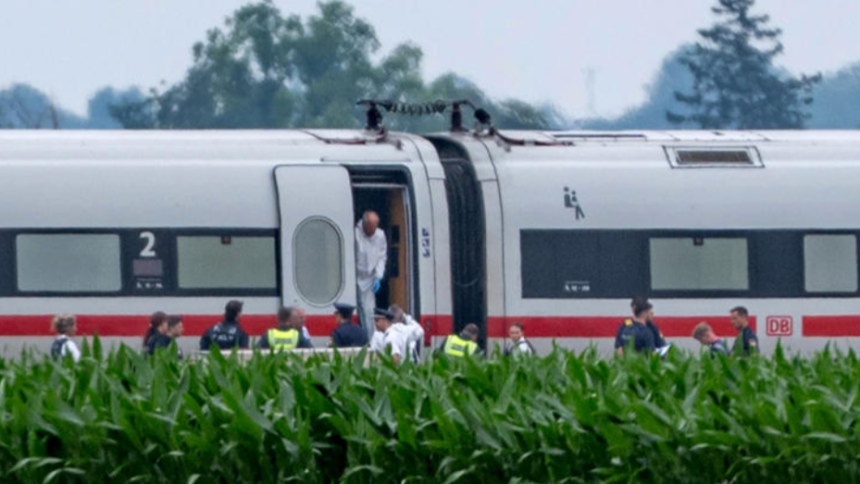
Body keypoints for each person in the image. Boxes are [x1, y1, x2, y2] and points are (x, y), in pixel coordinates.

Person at [355, 210, 387, 337]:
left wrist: (378, 276)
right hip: (356, 276)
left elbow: (382, 257)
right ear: (364, 225)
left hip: (370, 278)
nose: (372, 232)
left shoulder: (380, 235)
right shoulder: (355, 234)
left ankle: (370, 341)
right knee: (357, 309)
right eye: (370, 228)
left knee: (368, 311)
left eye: (375, 228)